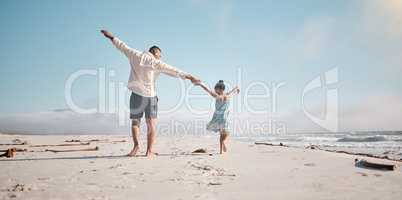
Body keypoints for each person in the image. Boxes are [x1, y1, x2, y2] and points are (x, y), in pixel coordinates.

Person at [101, 30, 200, 157]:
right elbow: (173, 70)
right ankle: (149, 151)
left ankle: (136, 147)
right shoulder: (156, 62)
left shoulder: (134, 54)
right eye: (160, 54)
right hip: (151, 97)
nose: (161, 57)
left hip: (136, 94)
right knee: (151, 124)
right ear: (155, 52)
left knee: (135, 122)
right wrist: (190, 77)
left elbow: (121, 46)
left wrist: (110, 36)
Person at [195, 80, 240, 154]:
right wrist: (236, 88)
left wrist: (201, 84)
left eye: (216, 89)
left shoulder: (218, 96)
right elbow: (233, 91)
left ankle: (222, 145)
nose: (215, 90)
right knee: (223, 133)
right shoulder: (227, 95)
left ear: (220, 89)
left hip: (220, 117)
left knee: (223, 133)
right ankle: (221, 150)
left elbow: (208, 90)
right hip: (221, 117)